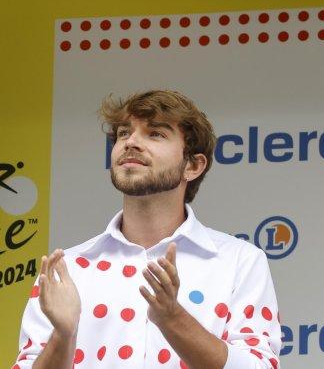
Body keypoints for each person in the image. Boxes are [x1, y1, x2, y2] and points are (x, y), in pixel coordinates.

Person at [14, 90, 282, 369]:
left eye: (155, 134)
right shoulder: (68, 269)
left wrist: (172, 318)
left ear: (192, 165)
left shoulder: (239, 262)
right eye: (123, 133)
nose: (131, 142)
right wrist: (63, 335)